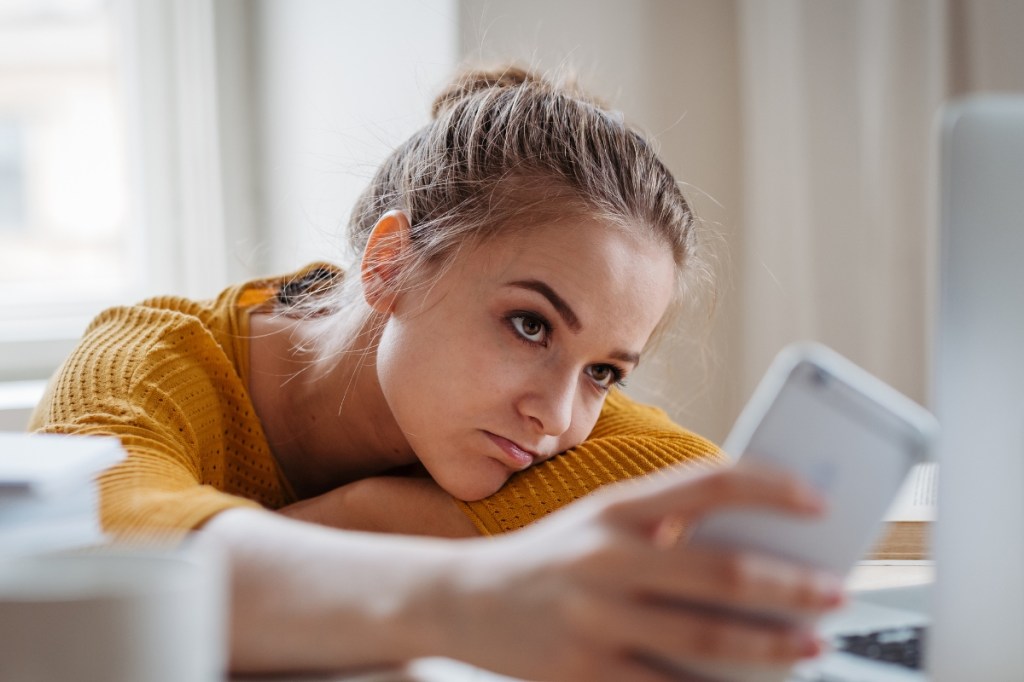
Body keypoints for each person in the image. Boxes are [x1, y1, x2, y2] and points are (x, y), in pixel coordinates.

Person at [30, 66, 843, 680]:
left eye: (604, 372)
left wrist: (372, 512)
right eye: (530, 325)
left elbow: (693, 487)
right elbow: (96, 563)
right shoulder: (142, 362)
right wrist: (468, 589)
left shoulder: (513, 414)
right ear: (388, 265)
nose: (556, 417)